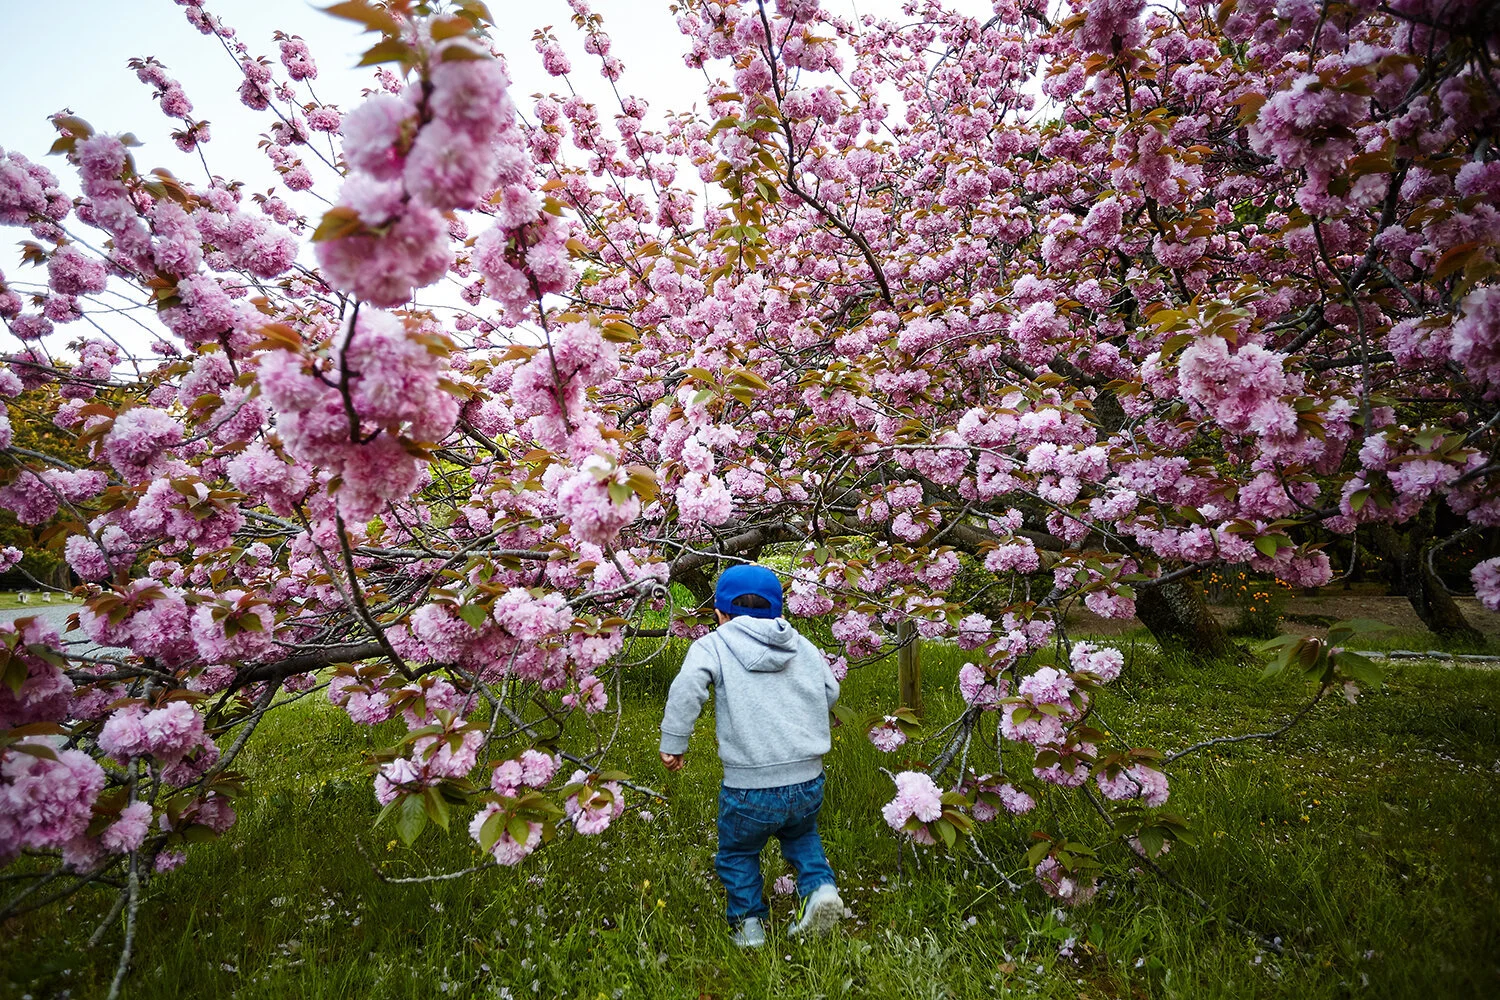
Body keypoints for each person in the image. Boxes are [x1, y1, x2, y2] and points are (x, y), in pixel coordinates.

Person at [659, 563, 844, 949]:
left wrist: (674, 742)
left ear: (720, 613)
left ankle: (749, 926)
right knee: (803, 835)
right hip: (807, 778)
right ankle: (820, 889)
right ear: (778, 611)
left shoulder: (714, 644)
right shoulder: (800, 644)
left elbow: (686, 690)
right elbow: (830, 690)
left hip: (750, 786)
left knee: (739, 851)